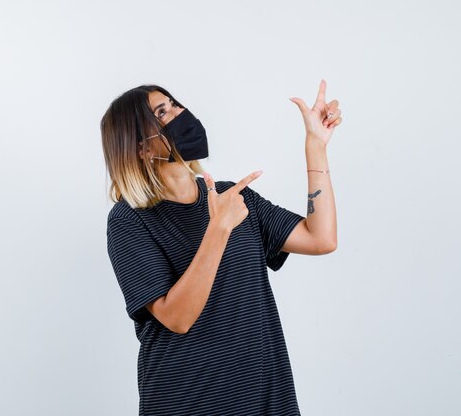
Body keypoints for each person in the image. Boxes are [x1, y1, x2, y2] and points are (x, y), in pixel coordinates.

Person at [101, 81, 341, 415]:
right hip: (187, 401)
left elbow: (321, 238)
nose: (180, 113)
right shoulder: (129, 220)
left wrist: (316, 147)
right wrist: (218, 230)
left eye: (174, 104)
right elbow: (177, 318)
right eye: (162, 112)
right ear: (139, 148)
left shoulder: (233, 197)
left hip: (264, 400)